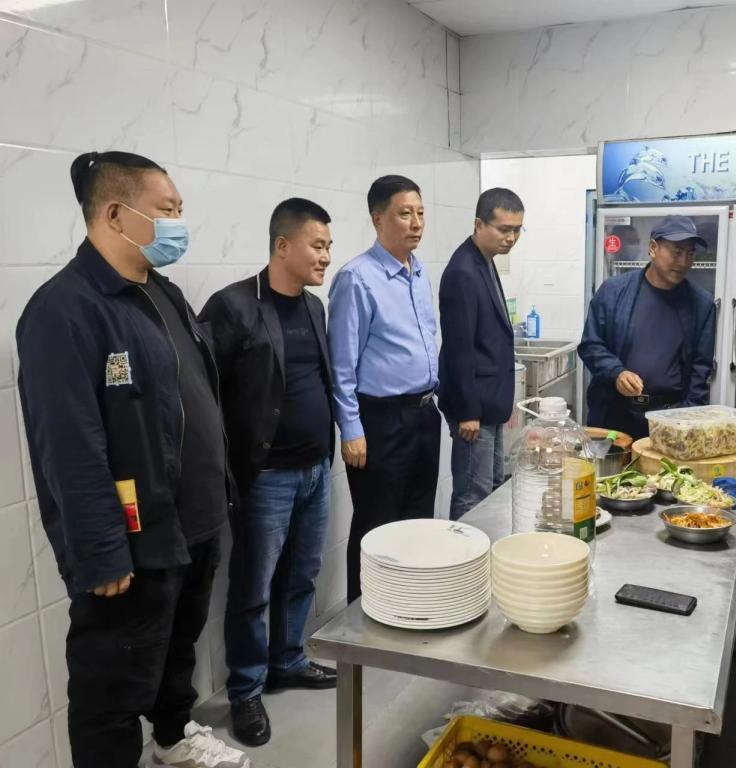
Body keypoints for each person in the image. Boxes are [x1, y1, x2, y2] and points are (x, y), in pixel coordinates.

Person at [16, 151, 249, 768]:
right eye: (167, 209)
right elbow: (67, 442)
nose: (178, 223)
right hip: (133, 542)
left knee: (176, 655)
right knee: (110, 691)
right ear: (117, 214)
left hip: (191, 524)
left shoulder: (161, 292)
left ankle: (172, 738)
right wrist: (99, 548)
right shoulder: (64, 310)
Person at [199, 198, 337, 747]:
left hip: (315, 468)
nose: (326, 256)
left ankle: (288, 660)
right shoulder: (233, 307)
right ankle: (246, 690)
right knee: (253, 588)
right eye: (317, 245)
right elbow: (204, 392)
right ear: (283, 246)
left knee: (302, 574)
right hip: (266, 477)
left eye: (328, 246)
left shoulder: (314, 307)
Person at [328, 175, 440, 603]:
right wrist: (351, 429)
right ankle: (365, 617)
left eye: (420, 213)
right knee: (377, 527)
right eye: (404, 213)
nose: (416, 223)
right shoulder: (357, 278)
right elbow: (342, 364)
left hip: (424, 415)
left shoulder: (419, 272)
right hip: (381, 422)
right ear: (378, 219)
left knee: (418, 521)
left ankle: (410, 607)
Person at [579, 215, 716, 438]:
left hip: (670, 419)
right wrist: (617, 372)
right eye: (676, 252)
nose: (683, 262)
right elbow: (590, 345)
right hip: (614, 415)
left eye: (690, 254)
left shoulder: (701, 304)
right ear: (653, 248)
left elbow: (700, 372)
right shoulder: (614, 292)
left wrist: (687, 423)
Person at [438, 188, 524, 520]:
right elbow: (458, 347)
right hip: (473, 410)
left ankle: (484, 550)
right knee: (472, 497)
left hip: (490, 405)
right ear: (479, 224)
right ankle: (463, 552)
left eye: (517, 230)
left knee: (491, 490)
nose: (511, 238)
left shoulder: (484, 261)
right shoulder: (463, 271)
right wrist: (467, 412)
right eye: (504, 229)